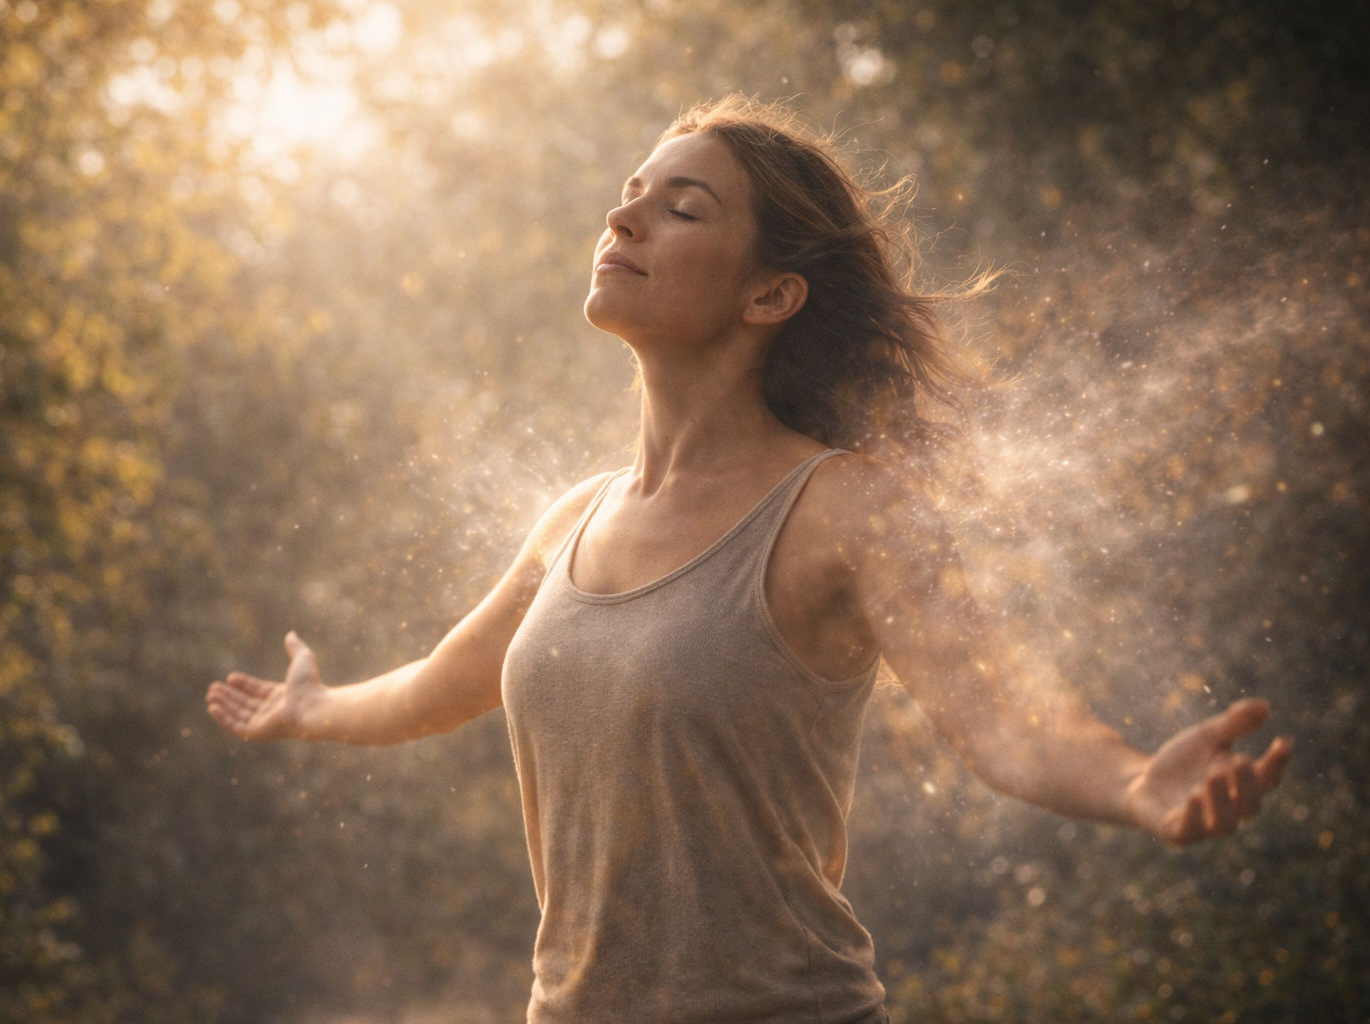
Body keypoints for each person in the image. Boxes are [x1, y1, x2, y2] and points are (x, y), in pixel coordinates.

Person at [205, 96, 1291, 1023]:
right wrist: (314, 707)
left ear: (770, 295)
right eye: (632, 191)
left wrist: (1138, 781)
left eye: (682, 208)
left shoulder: (845, 506)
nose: (624, 213)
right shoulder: (571, 520)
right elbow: (437, 689)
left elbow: (1006, 720)